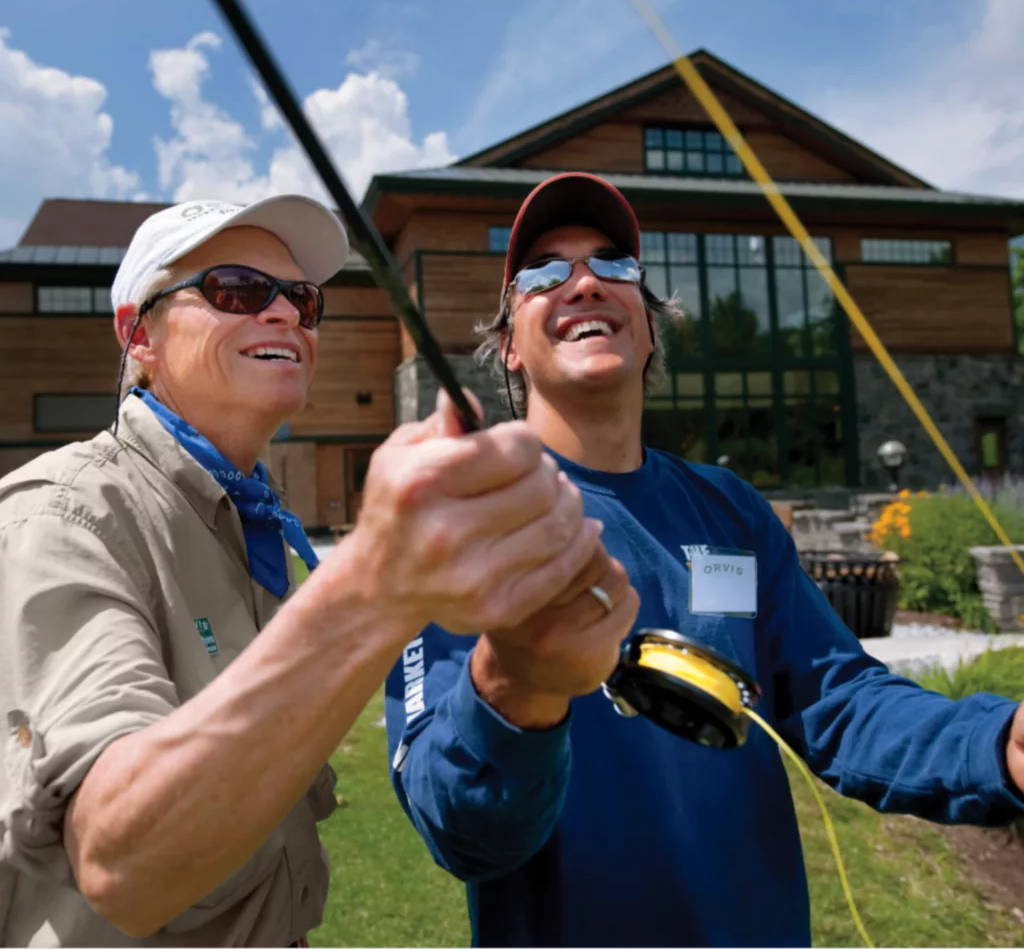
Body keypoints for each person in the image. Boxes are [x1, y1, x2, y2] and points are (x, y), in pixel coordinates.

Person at [384, 171, 1024, 948]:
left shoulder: (731, 509)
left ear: (650, 328)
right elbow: (458, 826)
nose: (584, 282)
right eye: (545, 273)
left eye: (613, 264)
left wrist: (997, 744)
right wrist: (512, 683)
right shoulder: (461, 522)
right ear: (509, 348)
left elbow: (840, 699)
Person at [0, 193, 637, 947]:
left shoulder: (249, 521)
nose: (283, 316)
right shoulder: (63, 516)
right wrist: (377, 582)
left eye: (301, 300)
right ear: (138, 333)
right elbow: (120, 863)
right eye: (234, 291)